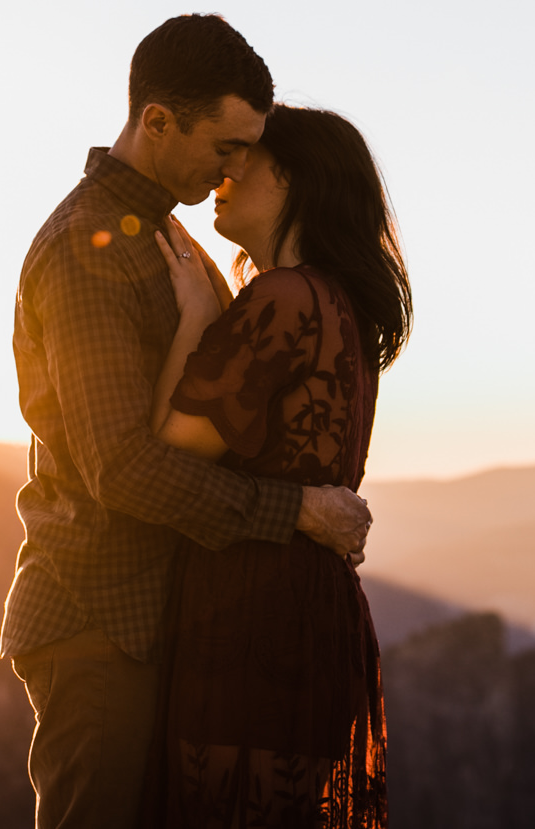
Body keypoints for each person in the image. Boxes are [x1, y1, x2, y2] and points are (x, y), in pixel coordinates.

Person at [2, 15, 376, 829]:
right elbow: (124, 468)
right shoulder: (90, 249)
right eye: (227, 145)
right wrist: (300, 510)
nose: (235, 167)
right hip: (99, 618)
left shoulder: (164, 232)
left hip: (156, 619)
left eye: (248, 149)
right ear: (157, 121)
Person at [141, 104, 410, 829]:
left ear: (290, 178)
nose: (225, 172)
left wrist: (198, 319)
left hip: (253, 612)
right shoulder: (341, 306)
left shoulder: (283, 297)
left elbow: (168, 448)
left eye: (244, 158)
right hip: (315, 612)